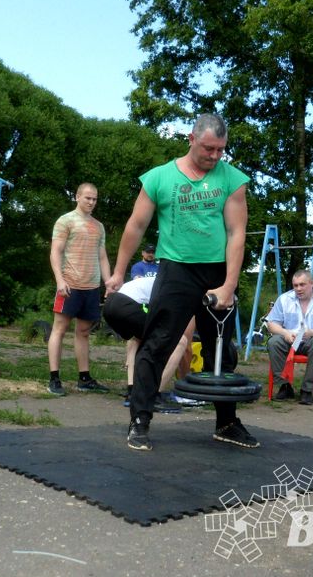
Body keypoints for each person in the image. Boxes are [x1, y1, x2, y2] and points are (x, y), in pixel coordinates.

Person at [105, 113, 255, 451]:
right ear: (191, 139)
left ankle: (227, 423)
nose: (215, 156)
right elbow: (135, 227)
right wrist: (117, 271)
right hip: (176, 270)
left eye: (220, 150)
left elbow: (236, 233)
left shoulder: (232, 179)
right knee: (157, 343)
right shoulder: (159, 178)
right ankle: (140, 420)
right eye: (208, 149)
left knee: (221, 351)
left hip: (217, 271)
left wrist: (229, 285)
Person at [47, 182, 112, 396]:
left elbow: (102, 256)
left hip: (91, 287)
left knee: (83, 332)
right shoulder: (65, 221)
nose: (91, 202)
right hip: (69, 285)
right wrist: (59, 280)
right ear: (77, 197)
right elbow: (55, 252)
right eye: (88, 198)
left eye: (94, 199)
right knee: (59, 329)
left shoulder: (99, 226)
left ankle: (84, 378)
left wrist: (108, 282)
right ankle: (54, 378)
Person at [102, 275, 192, 412]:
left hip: (110, 305)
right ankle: (154, 395)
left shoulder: (163, 278)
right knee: (181, 341)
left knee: (136, 338)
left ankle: (132, 391)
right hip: (126, 305)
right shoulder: (175, 287)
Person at [265, 269, 313, 404]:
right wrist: (285, 333)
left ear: (311, 283)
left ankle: (307, 390)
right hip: (289, 339)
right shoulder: (284, 299)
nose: (298, 289)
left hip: (311, 339)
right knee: (273, 341)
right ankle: (285, 386)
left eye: (302, 284)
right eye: (295, 285)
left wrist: (312, 332)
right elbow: (271, 324)